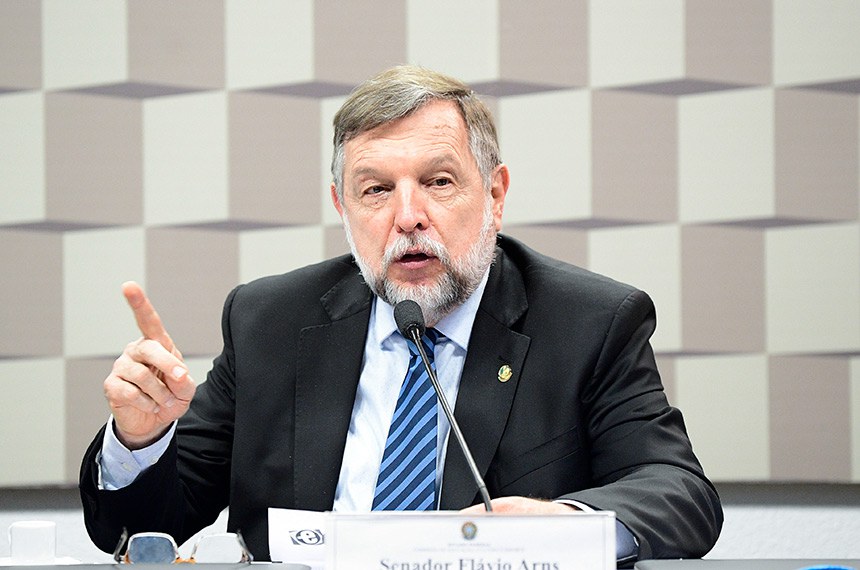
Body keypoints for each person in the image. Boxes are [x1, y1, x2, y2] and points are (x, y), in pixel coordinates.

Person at [79, 65, 722, 567]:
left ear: (495, 194)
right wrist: (140, 440)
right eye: (376, 190)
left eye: (439, 182)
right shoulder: (268, 321)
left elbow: (679, 492)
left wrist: (564, 524)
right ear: (343, 206)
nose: (408, 216)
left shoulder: (589, 322)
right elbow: (144, 529)